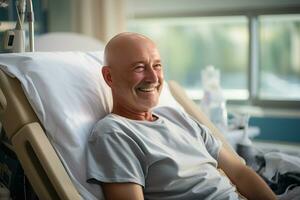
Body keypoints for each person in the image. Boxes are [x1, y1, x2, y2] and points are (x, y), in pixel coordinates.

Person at [86, 32, 276, 200]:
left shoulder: (176, 116)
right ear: (109, 77)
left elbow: (240, 172)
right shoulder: (113, 133)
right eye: (139, 68)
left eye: (157, 65)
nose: (153, 78)